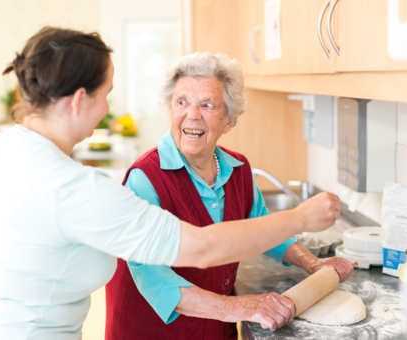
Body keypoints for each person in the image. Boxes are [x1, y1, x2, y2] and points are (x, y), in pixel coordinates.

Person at [0, 27, 341, 340]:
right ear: (78, 100)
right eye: (106, 94)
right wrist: (301, 216)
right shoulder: (75, 188)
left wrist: (305, 258)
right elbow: (202, 246)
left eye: (207, 105)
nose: (108, 107)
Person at [104, 52, 354, 339]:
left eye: (207, 104)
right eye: (182, 102)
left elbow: (266, 229)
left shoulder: (238, 169)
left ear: (229, 121)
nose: (192, 114)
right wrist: (238, 307)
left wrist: (311, 262)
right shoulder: (145, 179)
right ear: (170, 111)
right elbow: (153, 279)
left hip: (215, 330)